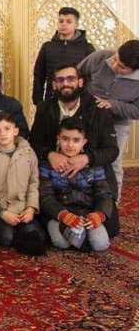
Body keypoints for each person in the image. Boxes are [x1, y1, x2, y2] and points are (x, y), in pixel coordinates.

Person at [30, 63, 120, 236]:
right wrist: (50, 154)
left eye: (70, 79)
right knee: (44, 229)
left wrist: (86, 158)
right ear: (54, 84)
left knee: (110, 229)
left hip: (91, 181)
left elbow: (111, 150)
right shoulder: (44, 108)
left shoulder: (98, 109)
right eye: (60, 80)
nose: (65, 83)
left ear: (80, 82)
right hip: (55, 182)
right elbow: (34, 142)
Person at [0, 111, 47, 255]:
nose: (3, 134)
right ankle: (2, 234)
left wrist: (31, 208)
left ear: (15, 131)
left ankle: (24, 235)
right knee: (6, 237)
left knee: (37, 234)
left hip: (21, 209)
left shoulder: (28, 153)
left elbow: (33, 184)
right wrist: (2, 212)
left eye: (7, 128)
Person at [77, 39, 139, 202]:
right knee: (81, 156)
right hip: (86, 116)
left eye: (122, 67)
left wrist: (112, 104)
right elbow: (78, 73)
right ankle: (81, 200)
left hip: (117, 124)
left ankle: (113, 204)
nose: (115, 66)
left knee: (113, 163)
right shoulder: (100, 56)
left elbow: (137, 111)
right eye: (115, 59)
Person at [40, 117, 113, 252]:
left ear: (84, 142)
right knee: (61, 243)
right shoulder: (47, 165)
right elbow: (45, 196)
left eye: (76, 140)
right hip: (59, 214)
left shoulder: (94, 166)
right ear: (58, 139)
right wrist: (62, 215)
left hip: (87, 214)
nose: (70, 145)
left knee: (100, 245)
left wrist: (99, 214)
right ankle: (67, 232)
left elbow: (104, 194)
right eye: (65, 139)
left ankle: (81, 237)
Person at [33, 7, 95, 105]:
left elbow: (92, 76)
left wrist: (89, 100)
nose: (64, 24)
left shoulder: (87, 48)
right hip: (52, 99)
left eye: (68, 21)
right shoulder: (47, 47)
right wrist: (38, 101)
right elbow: (39, 75)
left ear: (76, 25)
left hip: (79, 100)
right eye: (61, 21)